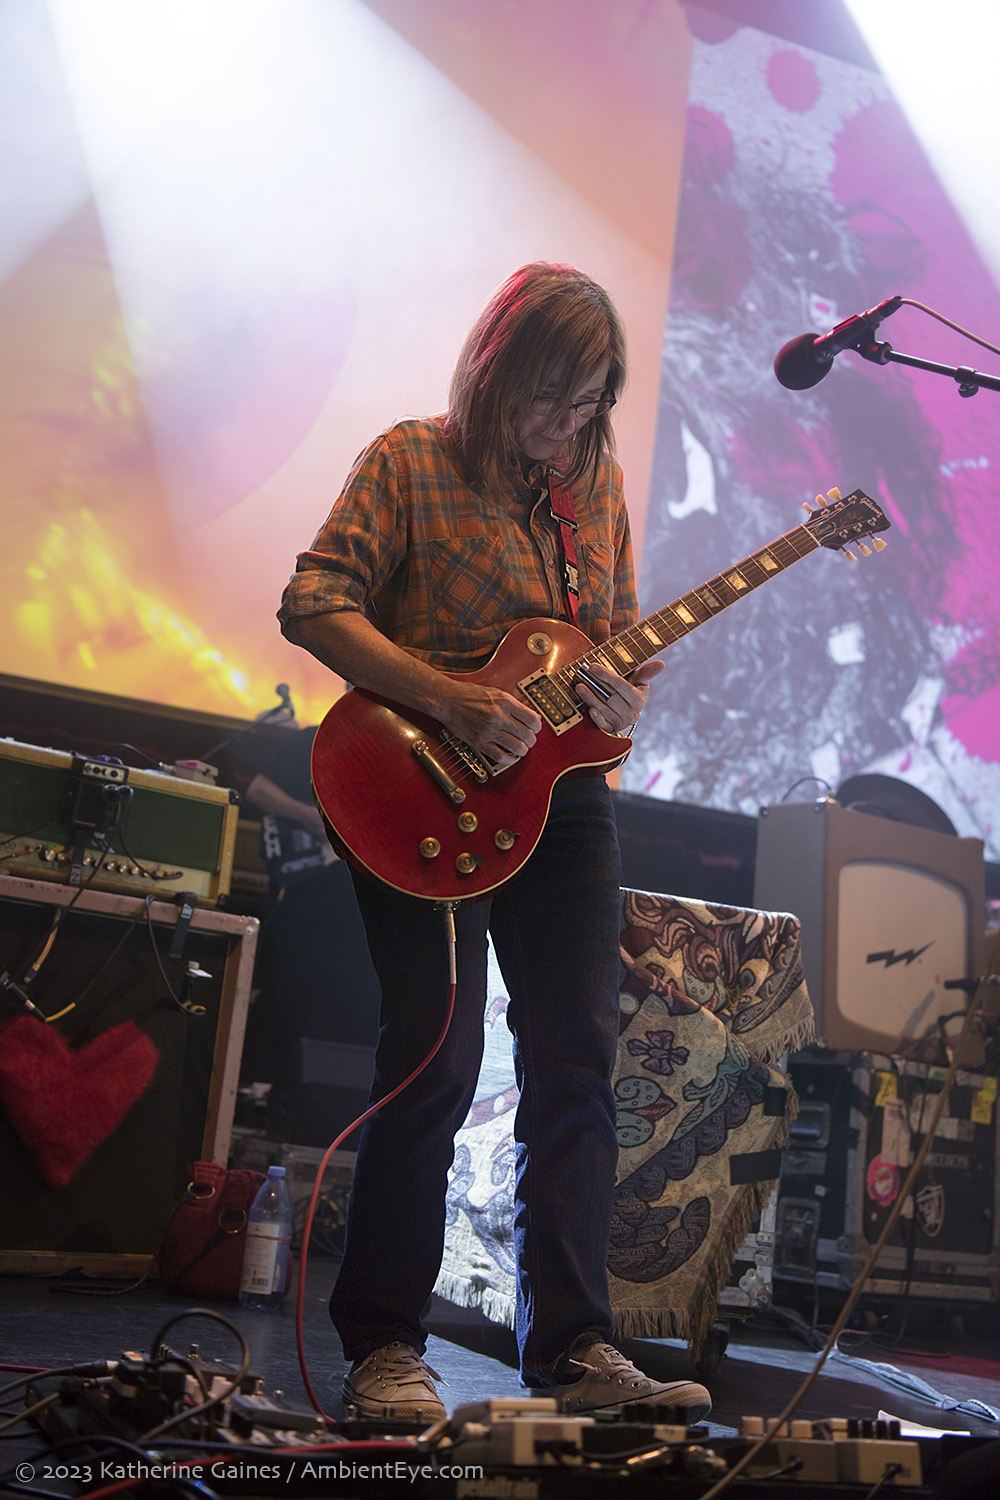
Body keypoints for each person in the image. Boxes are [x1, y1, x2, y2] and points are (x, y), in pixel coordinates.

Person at [277, 262, 711, 1423]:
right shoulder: (410, 459)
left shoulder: (593, 479)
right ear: (494, 368)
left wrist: (617, 700)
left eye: (587, 406)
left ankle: (571, 1347)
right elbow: (313, 601)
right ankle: (383, 1346)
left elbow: (604, 642)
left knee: (577, 1061)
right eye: (547, 400)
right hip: (412, 785)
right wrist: (452, 698)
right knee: (435, 1052)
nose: (564, 428)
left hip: (558, 803)